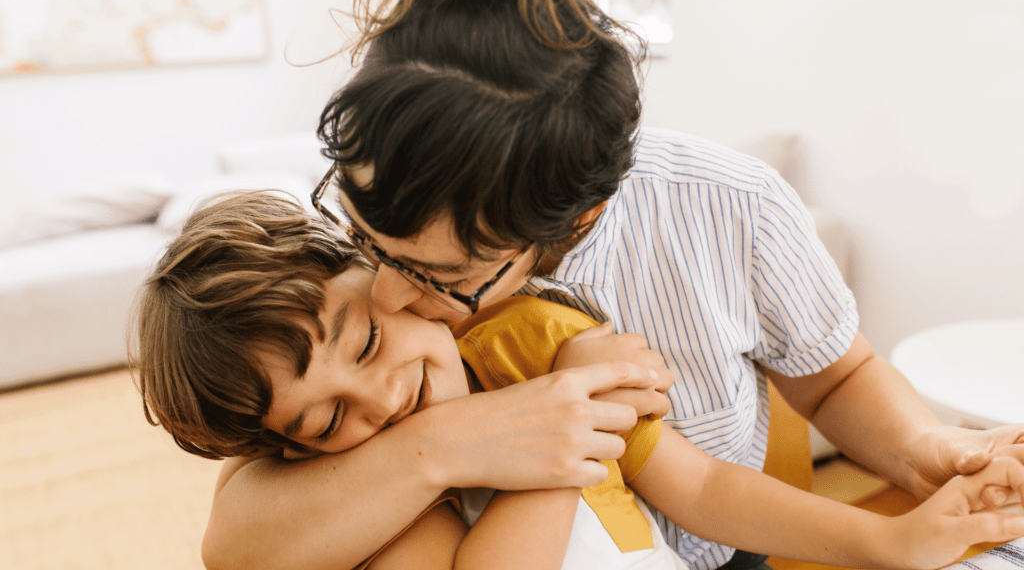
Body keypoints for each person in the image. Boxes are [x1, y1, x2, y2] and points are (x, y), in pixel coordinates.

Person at [135, 190, 1024, 570]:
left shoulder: (527, 345)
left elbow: (703, 485)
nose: (376, 402)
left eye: (364, 343)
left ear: (378, 267)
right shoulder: (375, 513)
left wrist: (889, 542)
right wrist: (561, 425)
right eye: (324, 419)